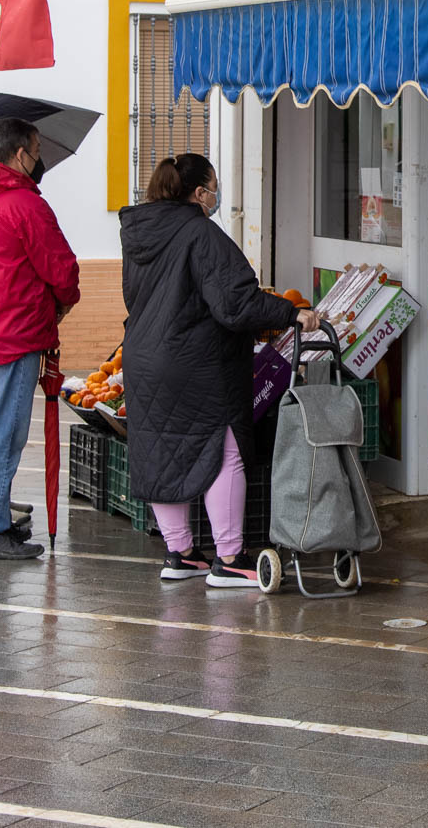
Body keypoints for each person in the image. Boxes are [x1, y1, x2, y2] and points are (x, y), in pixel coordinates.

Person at [120, 153, 320, 587]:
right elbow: (235, 303)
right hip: (195, 363)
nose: (216, 195)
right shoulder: (199, 233)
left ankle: (180, 553)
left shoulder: (139, 233)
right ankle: (229, 559)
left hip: (143, 357)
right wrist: (290, 312)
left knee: (160, 450)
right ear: (198, 193)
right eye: (213, 186)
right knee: (223, 450)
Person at [0, 117, 80, 561]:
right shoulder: (25, 207)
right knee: (2, 436)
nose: (39, 158)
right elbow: (61, 269)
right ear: (20, 154)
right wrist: (63, 300)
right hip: (14, 334)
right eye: (37, 149)